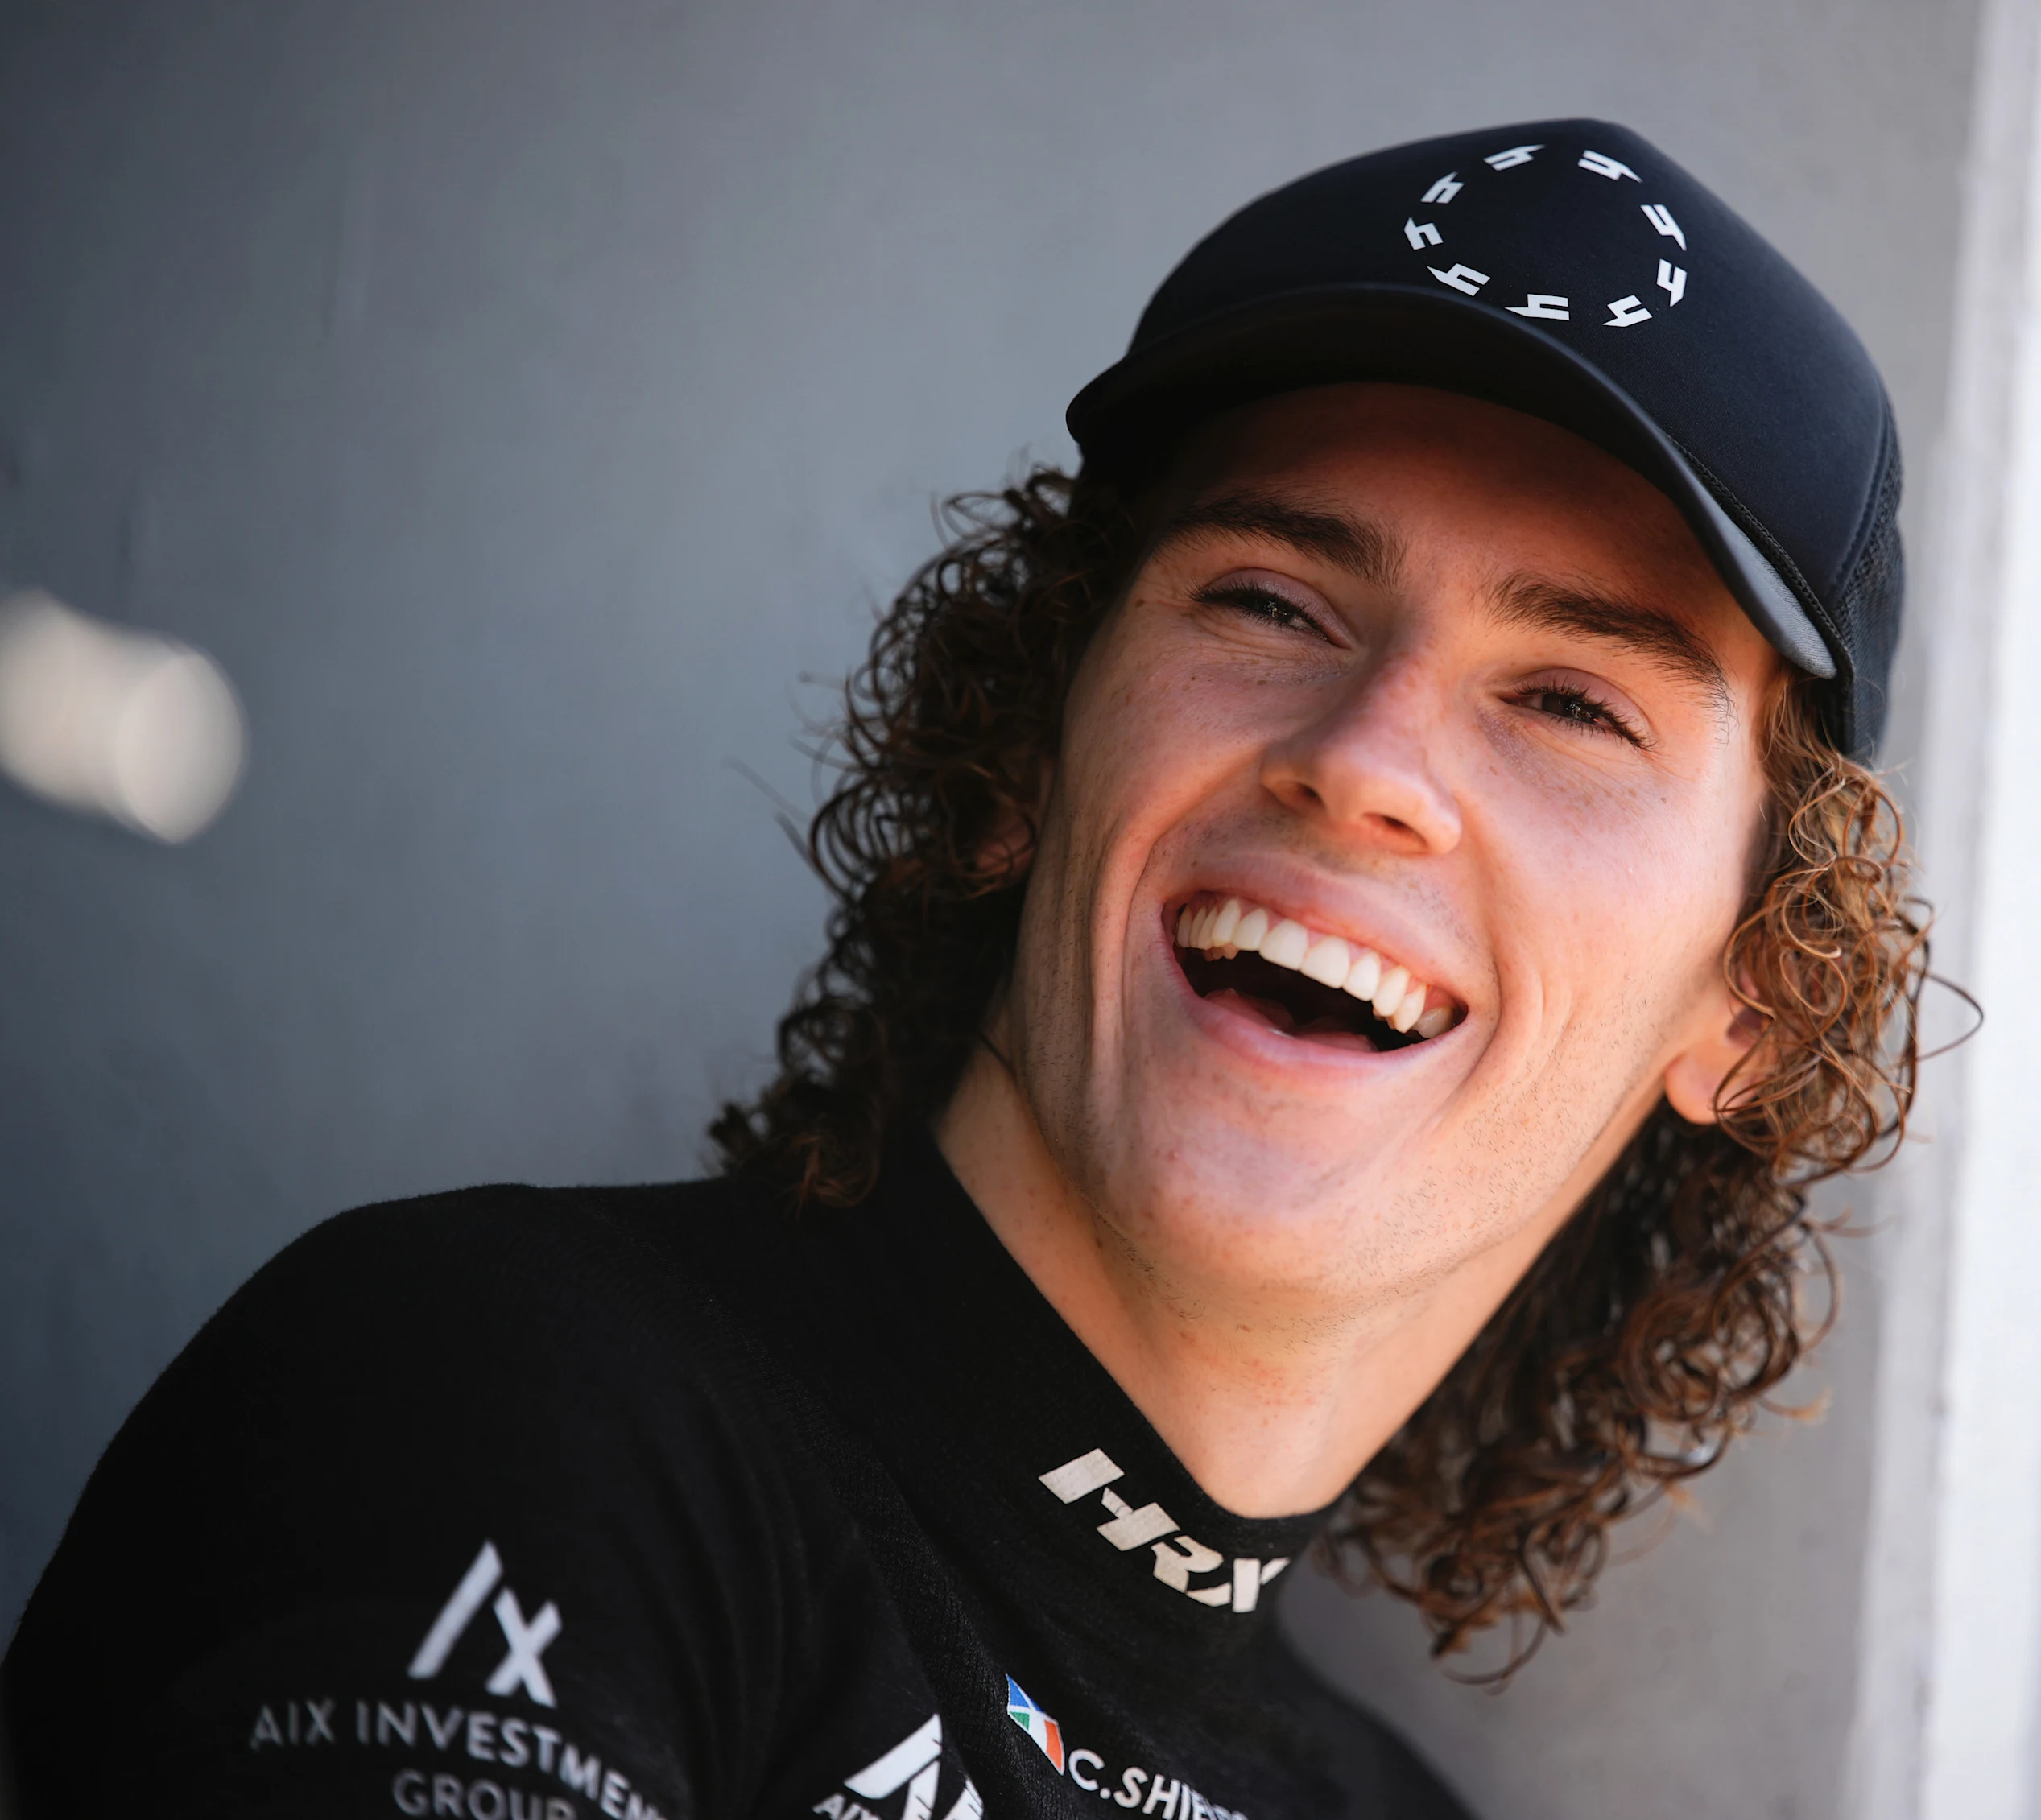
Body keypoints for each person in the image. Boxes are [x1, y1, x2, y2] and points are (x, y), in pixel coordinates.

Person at [1, 119, 1924, 1819]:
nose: (1364, 756)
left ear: (1748, 996)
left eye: (1573, 700)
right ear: (1022, 749)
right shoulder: (500, 1396)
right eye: (1268, 599)